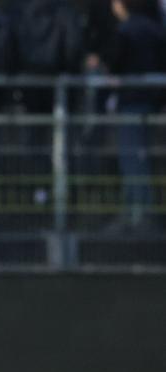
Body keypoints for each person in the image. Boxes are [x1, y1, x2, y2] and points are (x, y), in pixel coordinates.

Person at [106, 0, 166, 231]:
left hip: (131, 101)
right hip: (151, 102)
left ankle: (140, 214)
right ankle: (138, 212)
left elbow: (115, 63)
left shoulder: (126, 30)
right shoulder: (156, 29)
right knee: (140, 158)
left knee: (132, 159)